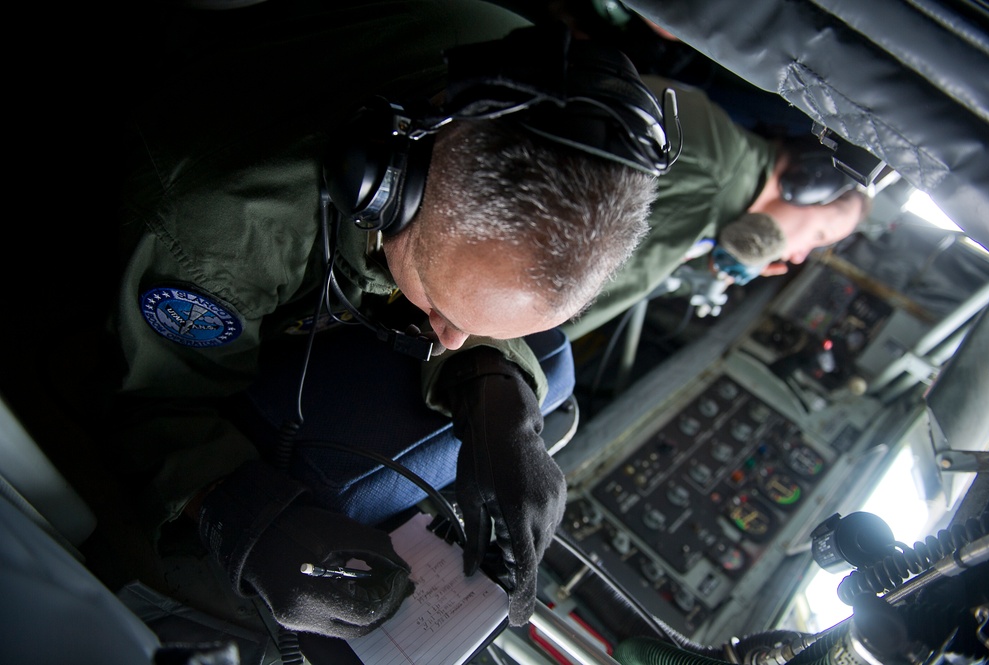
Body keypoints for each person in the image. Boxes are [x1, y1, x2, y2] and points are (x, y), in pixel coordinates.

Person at [109, 0, 665, 641]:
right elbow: (153, 401)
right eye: (439, 305)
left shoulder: (519, 74)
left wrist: (497, 384)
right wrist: (236, 510)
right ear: (383, 188)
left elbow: (483, 274)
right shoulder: (213, 233)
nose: (449, 339)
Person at [560, 76, 872, 342]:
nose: (799, 255)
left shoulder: (725, 185)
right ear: (810, 185)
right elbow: (574, 300)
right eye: (819, 235)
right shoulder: (713, 174)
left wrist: (717, 265)